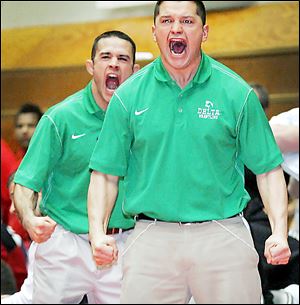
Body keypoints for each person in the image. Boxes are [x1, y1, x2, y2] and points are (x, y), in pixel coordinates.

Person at [87, 2, 291, 304]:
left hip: (223, 232)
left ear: (204, 31)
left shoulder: (236, 93)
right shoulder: (128, 97)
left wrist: (279, 232)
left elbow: (268, 169)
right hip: (152, 235)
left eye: (187, 21)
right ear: (154, 31)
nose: (176, 28)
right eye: (167, 21)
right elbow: (105, 173)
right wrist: (97, 231)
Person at [13, 30, 139, 304]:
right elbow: (24, 184)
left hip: (122, 242)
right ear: (91, 66)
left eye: (123, 58)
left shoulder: (144, 120)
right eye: (106, 57)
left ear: (134, 70)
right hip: (65, 242)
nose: (114, 64)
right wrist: (29, 219)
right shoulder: (60, 117)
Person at [243, 84, 299, 304]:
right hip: (236, 216)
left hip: (262, 216)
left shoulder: (267, 138)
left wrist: (279, 224)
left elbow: (290, 192)